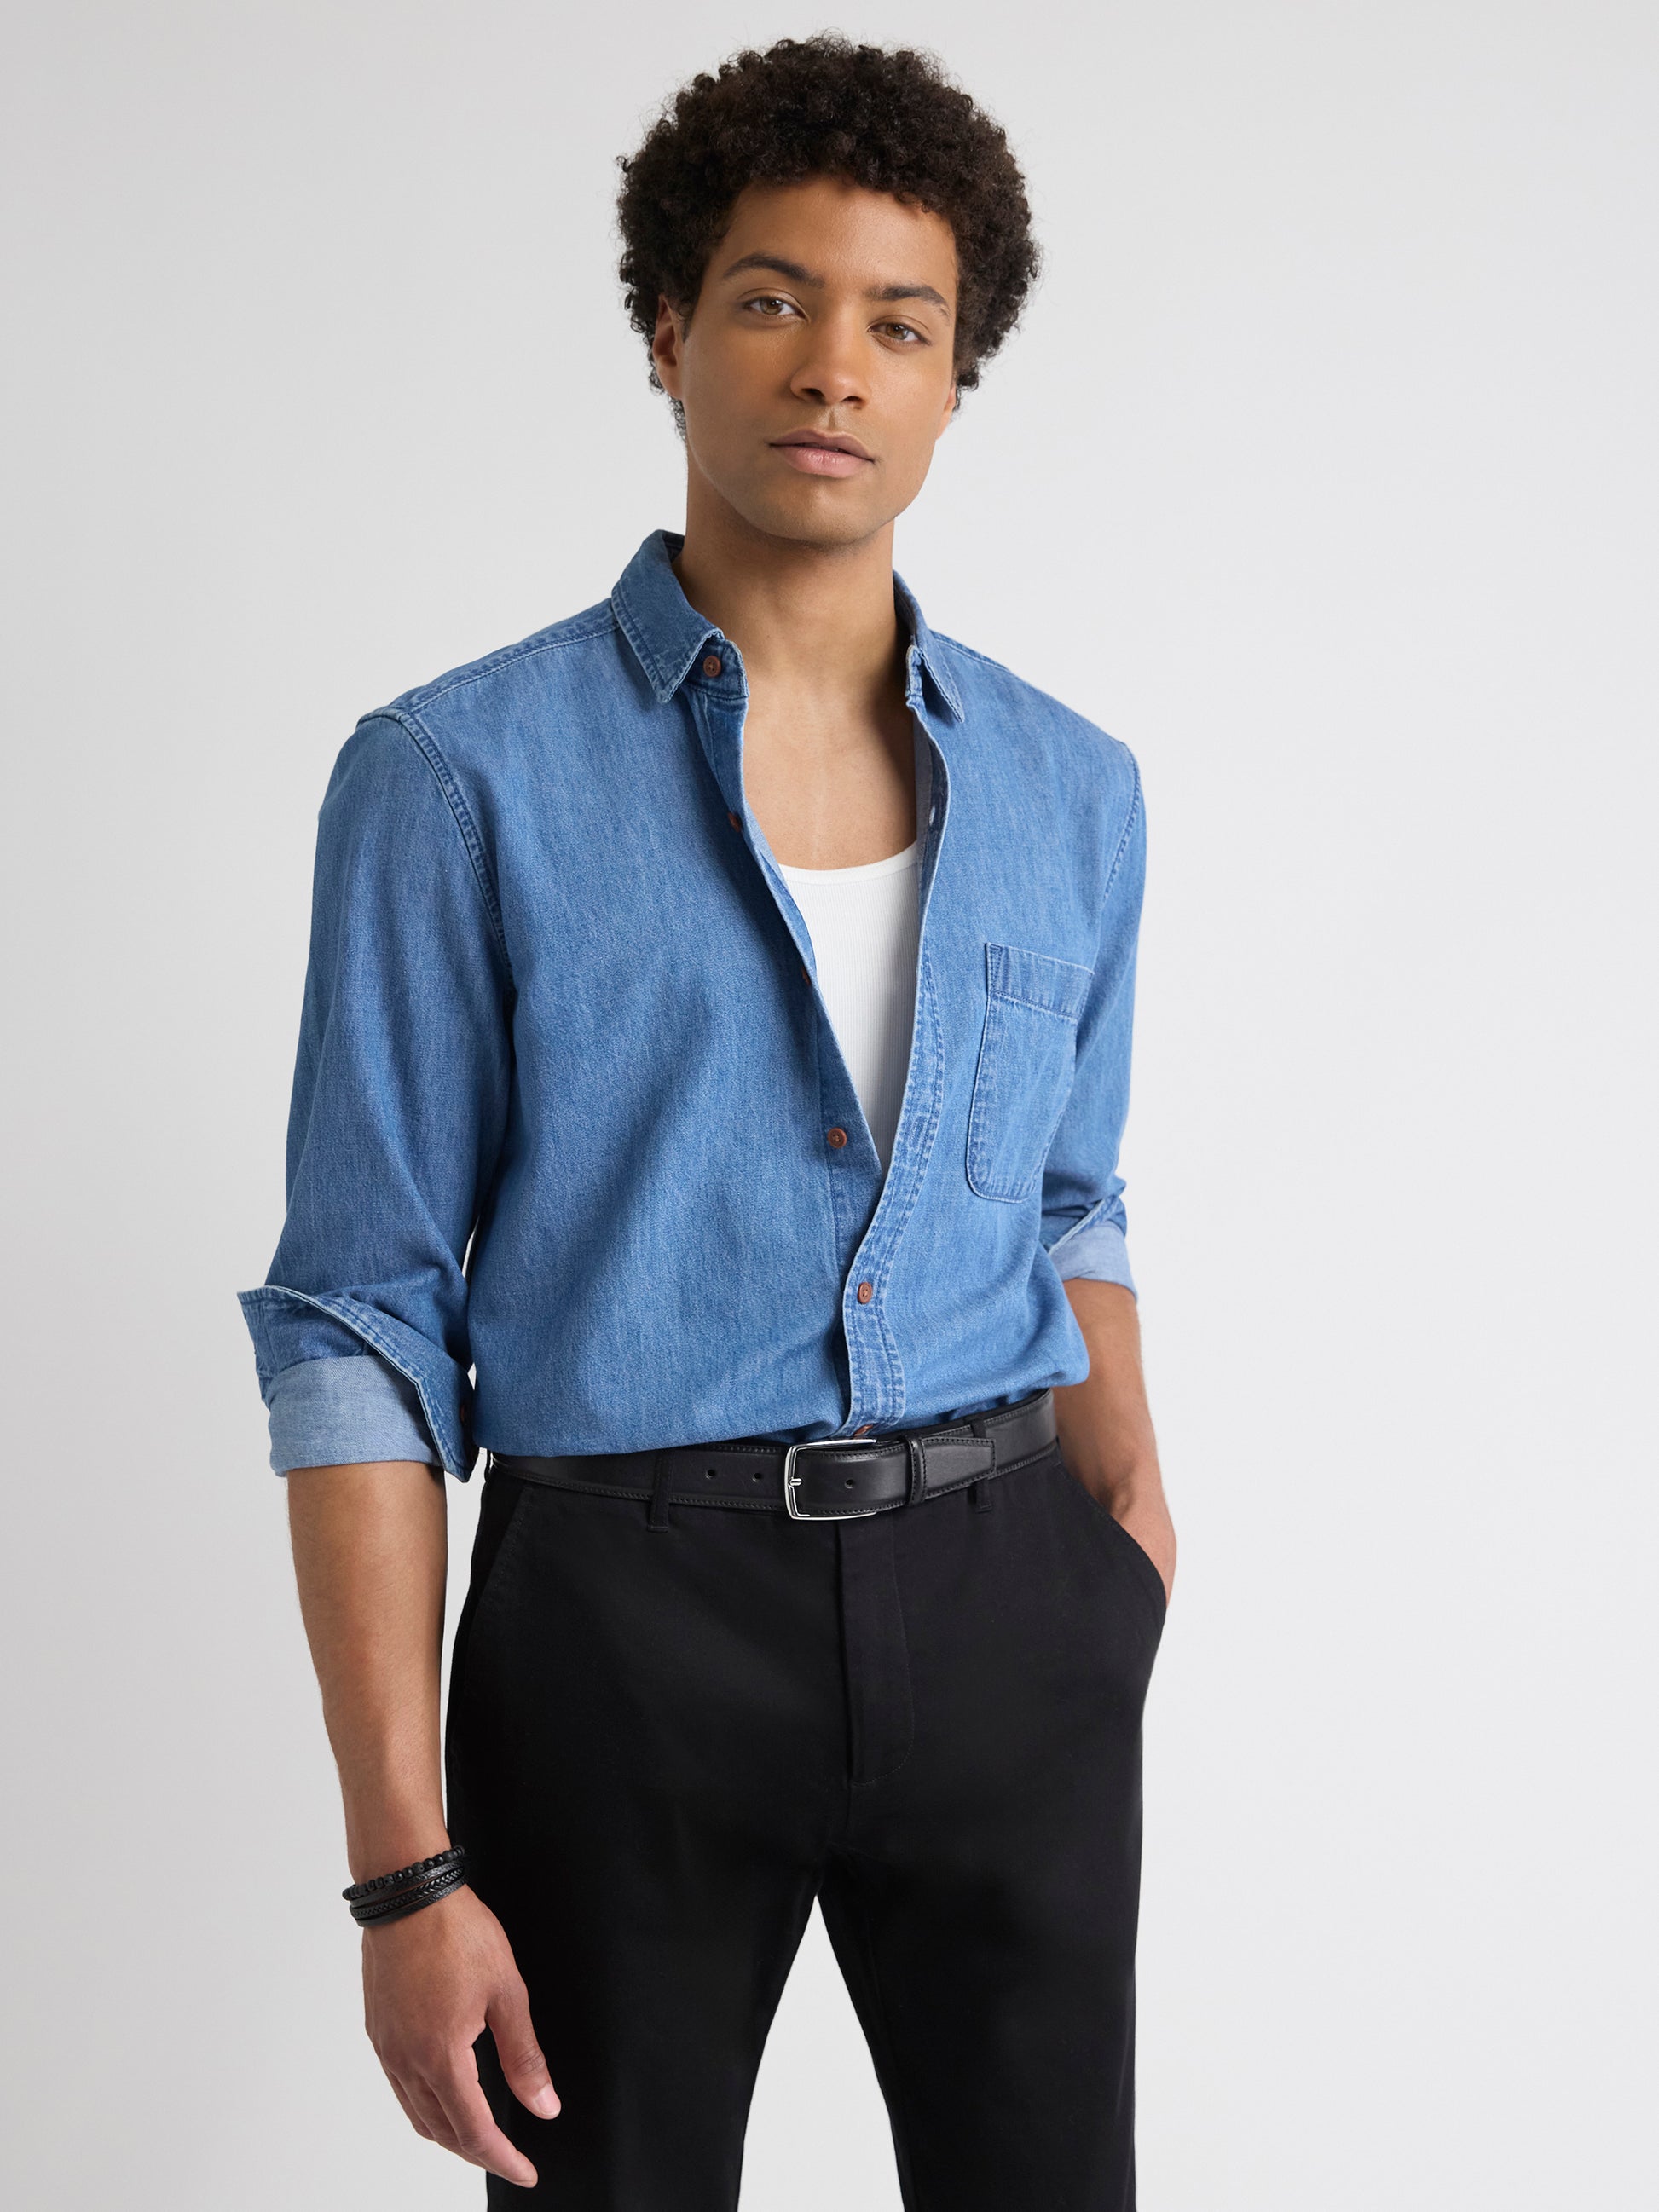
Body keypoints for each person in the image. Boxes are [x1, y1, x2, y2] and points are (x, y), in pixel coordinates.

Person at [239, 32, 1177, 2209]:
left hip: (1010, 1600)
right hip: (622, 1633)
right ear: (666, 330)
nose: (833, 364)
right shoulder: (453, 778)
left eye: (899, 322)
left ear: (952, 381)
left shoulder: (1075, 787)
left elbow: (1071, 1192)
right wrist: (404, 1872)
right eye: (771, 298)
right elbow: (360, 1314)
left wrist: (1121, 1539)